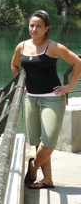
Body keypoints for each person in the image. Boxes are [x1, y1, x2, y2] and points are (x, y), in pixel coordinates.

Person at [11, 10, 81, 189]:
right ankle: (47, 179)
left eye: (38, 26)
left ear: (46, 28)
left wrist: (69, 87)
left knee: (48, 142)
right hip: (31, 99)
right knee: (36, 142)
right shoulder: (22, 46)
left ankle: (33, 169)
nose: (34, 29)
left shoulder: (54, 47)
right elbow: (14, 66)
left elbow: (77, 63)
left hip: (52, 99)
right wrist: (23, 83)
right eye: (31, 25)